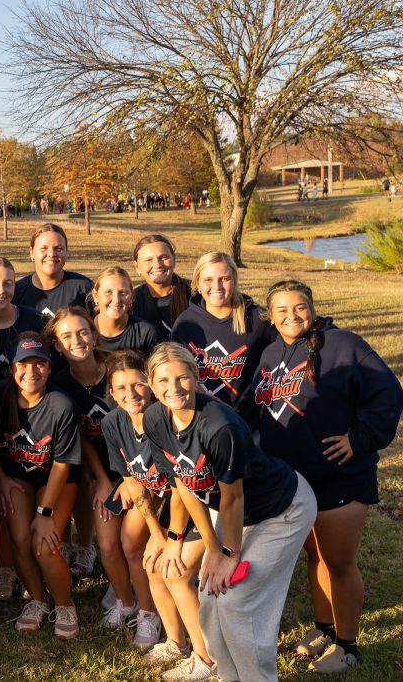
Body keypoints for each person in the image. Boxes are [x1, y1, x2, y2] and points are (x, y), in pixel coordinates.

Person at [143, 342, 317, 682]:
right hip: (236, 513)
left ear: (196, 377)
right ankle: (226, 676)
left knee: (239, 602)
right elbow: (183, 483)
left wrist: (228, 552)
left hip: (282, 509)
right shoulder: (155, 418)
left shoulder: (220, 426)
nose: (173, 388)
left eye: (181, 378)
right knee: (210, 596)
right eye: (163, 381)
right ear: (152, 385)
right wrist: (211, 548)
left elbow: (233, 498)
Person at [253, 280, 403, 674]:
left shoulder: (344, 345)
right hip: (291, 481)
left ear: (313, 308)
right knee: (313, 555)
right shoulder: (270, 353)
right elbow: (257, 408)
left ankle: (347, 643)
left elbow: (388, 392)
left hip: (338, 476)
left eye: (299, 307)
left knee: (339, 560)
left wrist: (361, 437)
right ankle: (324, 629)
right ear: (270, 315)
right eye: (281, 310)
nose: (292, 316)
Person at [103, 351, 214, 679]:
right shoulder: (113, 422)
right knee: (152, 563)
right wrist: (155, 532)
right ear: (111, 393)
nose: (130, 394)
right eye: (120, 388)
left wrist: (171, 538)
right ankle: (175, 641)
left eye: (137, 385)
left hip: (195, 498)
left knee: (171, 568)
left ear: (150, 385)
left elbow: (183, 484)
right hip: (161, 500)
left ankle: (205, 655)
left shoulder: (163, 417)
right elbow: (131, 480)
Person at [45, 307, 137, 617]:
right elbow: (81, 437)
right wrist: (102, 479)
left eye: (83, 332)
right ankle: (125, 593)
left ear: (94, 335)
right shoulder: (59, 384)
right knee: (109, 544)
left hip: (140, 469)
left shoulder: (118, 369)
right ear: (57, 345)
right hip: (103, 471)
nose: (77, 340)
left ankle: (139, 588)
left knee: (131, 539)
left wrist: (129, 479)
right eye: (67, 336)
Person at [0, 334, 82, 638]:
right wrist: (1, 479)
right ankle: (37, 600)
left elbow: (61, 464)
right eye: (23, 363)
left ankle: (64, 603)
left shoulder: (60, 404)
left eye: (40, 364)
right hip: (16, 477)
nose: (31, 372)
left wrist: (44, 513)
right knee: (20, 538)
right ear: (11, 366)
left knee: (44, 545)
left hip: (54, 478)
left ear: (49, 366)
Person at [171, 251, 277, 413]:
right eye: (208, 280)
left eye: (225, 279)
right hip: (202, 420)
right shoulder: (185, 324)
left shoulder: (258, 319)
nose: (217, 287)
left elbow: (291, 351)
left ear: (235, 281)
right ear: (197, 284)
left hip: (249, 424)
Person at [13, 224, 93, 318]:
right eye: (44, 248)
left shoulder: (84, 288)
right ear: (32, 253)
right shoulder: (15, 293)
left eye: (58, 249)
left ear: (66, 252)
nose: (51, 254)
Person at [131, 235, 191, 340]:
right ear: (137, 267)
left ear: (174, 260)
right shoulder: (131, 301)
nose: (157, 265)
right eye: (148, 260)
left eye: (163, 258)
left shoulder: (195, 292)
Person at [90, 267, 161, 354]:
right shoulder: (84, 332)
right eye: (108, 292)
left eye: (123, 293)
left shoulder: (146, 334)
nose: (116, 300)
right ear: (95, 295)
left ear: (132, 296)